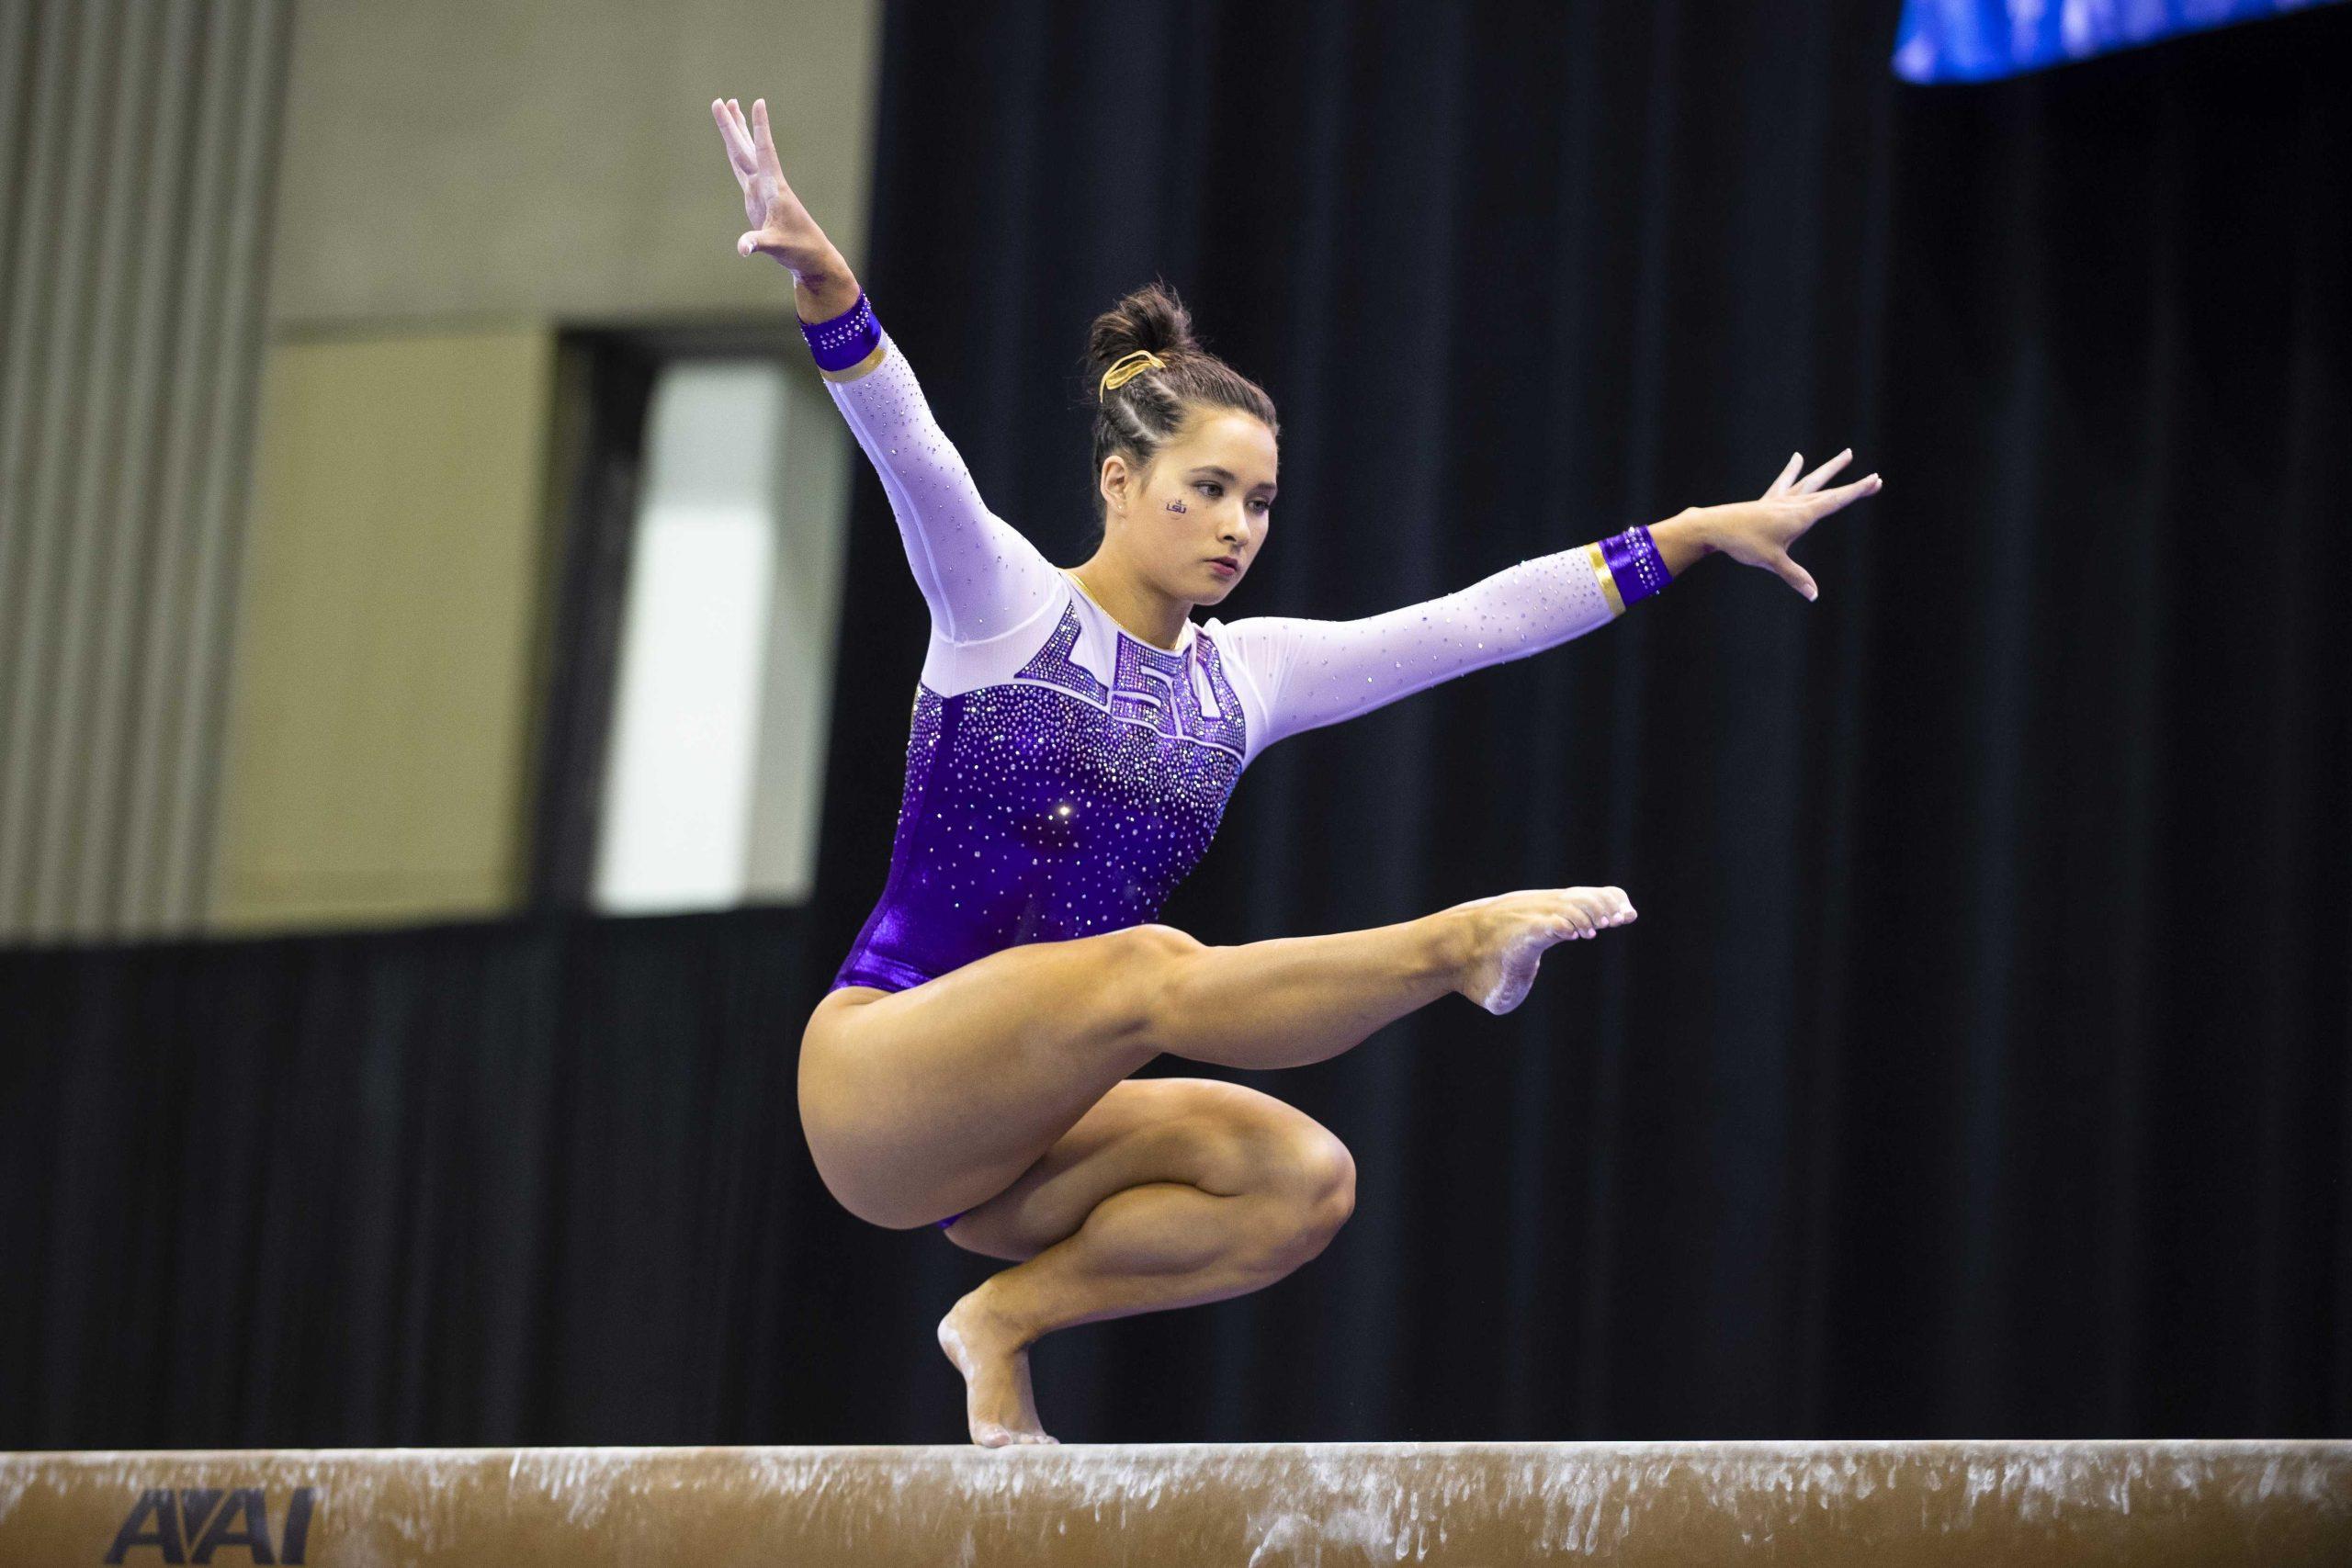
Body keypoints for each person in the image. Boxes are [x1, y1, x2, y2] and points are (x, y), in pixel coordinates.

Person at [712, 96, 1883, 1446]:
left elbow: (1469, 623)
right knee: (1146, 972)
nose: (1235, 526)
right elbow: (912, 454)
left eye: (1259, 501)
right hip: (883, 1081)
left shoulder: (1241, 681)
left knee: (1297, 1180)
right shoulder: (1004, 611)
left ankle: (1001, 1322)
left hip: (1030, 1139)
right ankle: (1450, 945)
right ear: (1116, 480)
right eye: (1204, 489)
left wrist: (1687, 533)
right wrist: (830, 287)